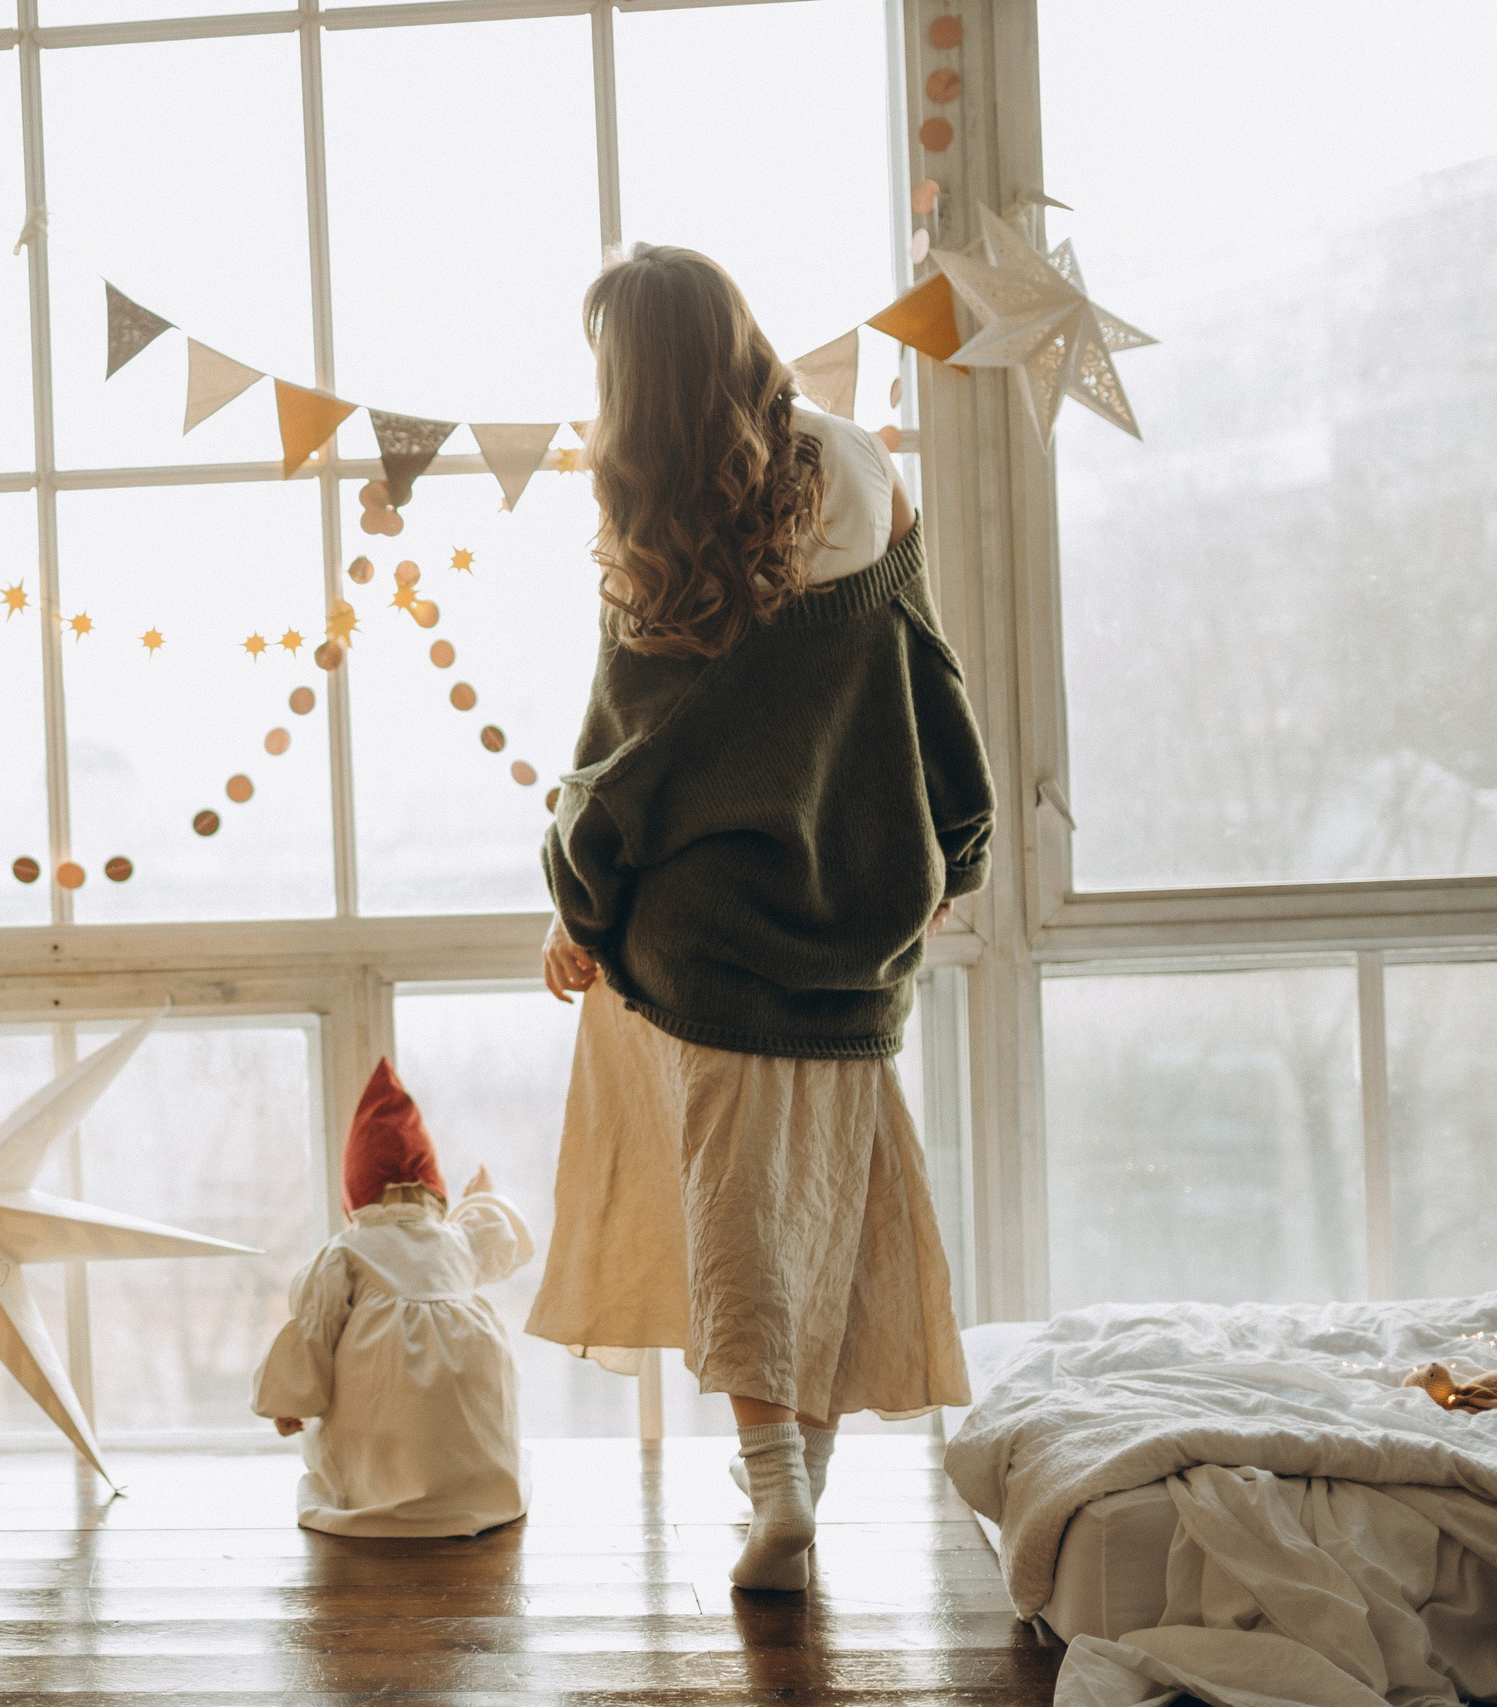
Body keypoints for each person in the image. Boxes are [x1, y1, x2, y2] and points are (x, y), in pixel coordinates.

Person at [525, 245, 990, 1593]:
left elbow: (620, 766)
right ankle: (801, 1482)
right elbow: (928, 670)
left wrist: (575, 910)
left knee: (731, 1212)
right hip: (857, 915)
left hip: (699, 938)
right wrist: (955, 845)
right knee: (828, 1199)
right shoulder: (860, 467)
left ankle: (776, 1484)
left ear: (634, 379)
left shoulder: (655, 529)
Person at [253, 1058, 535, 1538]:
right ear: (436, 1193)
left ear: (355, 1195)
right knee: (472, 1417)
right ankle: (477, 1487)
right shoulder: (456, 1239)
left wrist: (292, 1399)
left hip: (384, 1430)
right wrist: (480, 1196)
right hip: (477, 1463)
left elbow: (314, 1329)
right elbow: (498, 1239)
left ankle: (378, 1492)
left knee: (373, 1398)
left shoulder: (347, 1250)